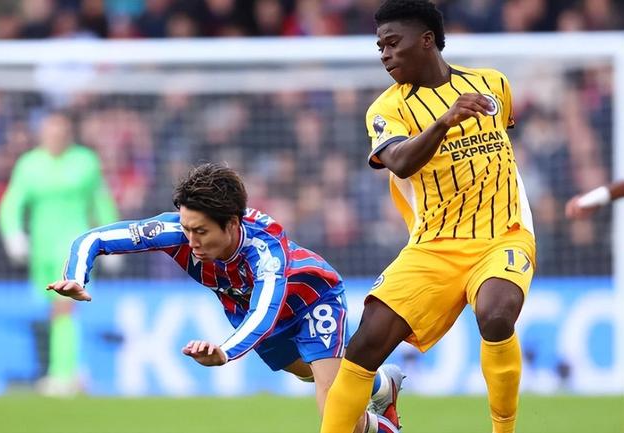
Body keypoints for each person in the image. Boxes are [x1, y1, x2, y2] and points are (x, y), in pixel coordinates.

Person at [47, 163, 404, 433]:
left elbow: (264, 314)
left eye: (201, 231)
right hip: (250, 311)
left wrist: (225, 351)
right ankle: (380, 386)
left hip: (312, 300)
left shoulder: (266, 251)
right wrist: (76, 276)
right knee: (311, 375)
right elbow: (94, 239)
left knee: (332, 403)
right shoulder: (178, 231)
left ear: (232, 224)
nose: (191, 241)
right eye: (186, 229)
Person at [320, 2, 536, 433]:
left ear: (426, 40)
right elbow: (400, 162)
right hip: (434, 245)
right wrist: (444, 121)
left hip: (502, 235)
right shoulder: (386, 109)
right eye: (380, 47)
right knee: (365, 344)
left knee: (496, 314)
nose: (385, 54)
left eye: (392, 43)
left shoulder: (492, 84)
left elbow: (501, 143)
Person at [0, 112, 120, 395]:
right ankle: (72, 369)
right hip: (41, 248)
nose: (56, 137)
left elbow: (100, 202)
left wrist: (114, 241)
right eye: (51, 132)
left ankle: (63, 374)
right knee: (54, 309)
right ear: (42, 134)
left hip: (75, 245)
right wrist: (13, 234)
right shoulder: (29, 164)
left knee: (64, 306)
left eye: (61, 132)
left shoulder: (85, 162)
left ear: (69, 134)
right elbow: (11, 203)